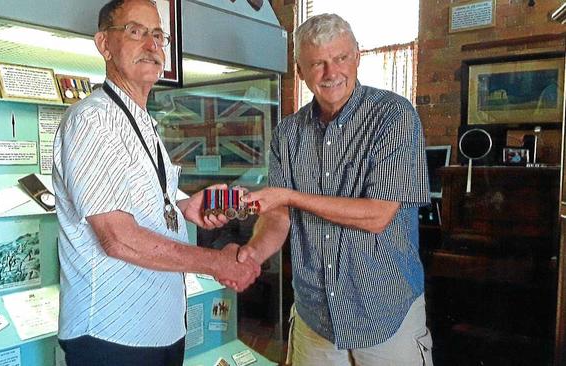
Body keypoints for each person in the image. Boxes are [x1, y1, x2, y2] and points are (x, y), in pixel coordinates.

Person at [52, 1, 260, 365]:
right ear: (104, 44)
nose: (151, 45)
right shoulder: (91, 121)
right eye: (135, 32)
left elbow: (140, 203)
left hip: (159, 328)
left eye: (158, 35)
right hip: (111, 334)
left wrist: (185, 206)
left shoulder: (140, 121)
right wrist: (216, 263)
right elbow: (116, 237)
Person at [235, 13, 433, 366]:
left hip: (386, 314)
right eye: (317, 63)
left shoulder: (394, 116)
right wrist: (252, 254)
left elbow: (377, 214)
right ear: (299, 70)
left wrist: (290, 196)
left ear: (357, 56)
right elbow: (278, 217)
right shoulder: (287, 134)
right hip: (316, 316)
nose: (331, 73)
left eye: (340, 58)